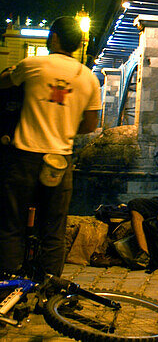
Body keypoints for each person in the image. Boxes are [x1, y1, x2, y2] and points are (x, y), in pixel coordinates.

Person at [0, 16, 101, 277]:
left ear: (54, 37)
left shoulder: (33, 64)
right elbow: (90, 124)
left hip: (24, 157)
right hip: (59, 161)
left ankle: (8, 290)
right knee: (54, 230)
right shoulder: (88, 78)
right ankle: (50, 290)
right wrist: (65, 127)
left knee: (13, 225)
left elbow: (4, 82)